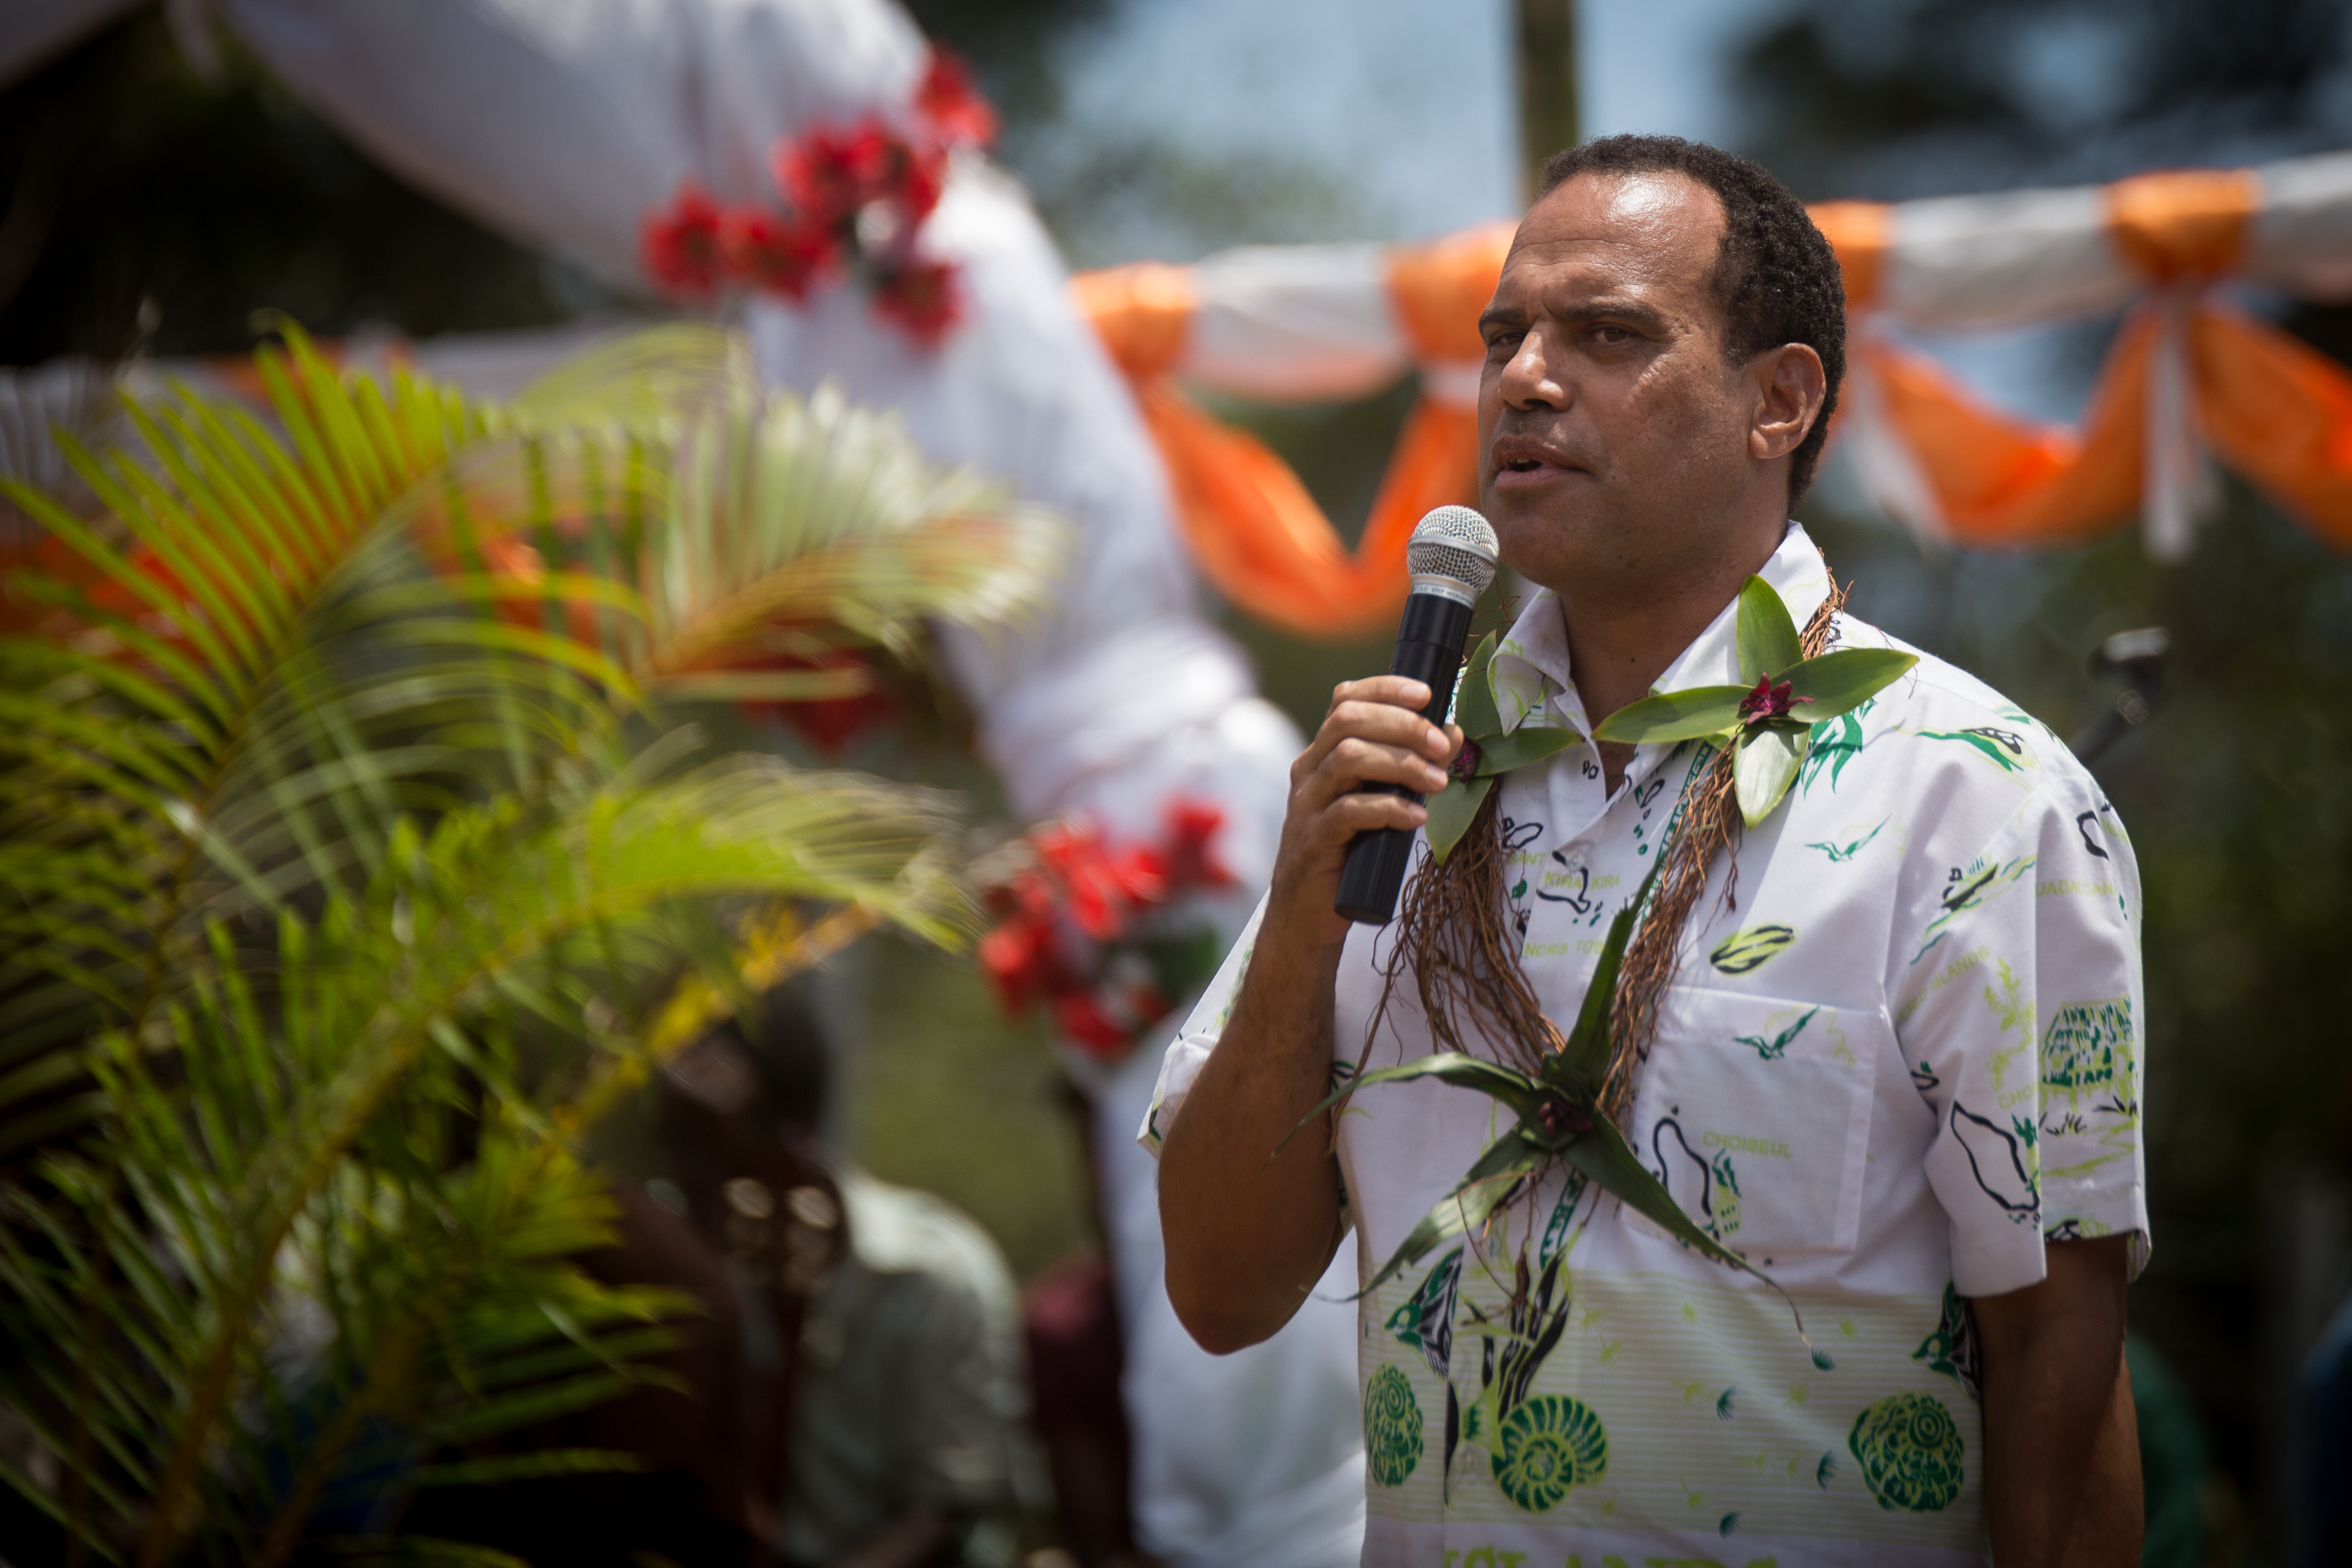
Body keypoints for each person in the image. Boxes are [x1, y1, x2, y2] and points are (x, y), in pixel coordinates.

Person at [1147, 135, 2146, 1566]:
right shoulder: (1398, 790)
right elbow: (1221, 1294)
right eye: (1501, 337)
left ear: (1777, 401)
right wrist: (1306, 919)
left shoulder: (1976, 798)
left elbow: (2058, 1362)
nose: (1523, 378)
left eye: (1606, 334)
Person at [661, 984, 1039, 1568]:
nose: (687, 1178)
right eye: (675, 1144)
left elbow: (945, 1510)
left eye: (714, 1152)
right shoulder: (662, 1271)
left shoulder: (928, 1274)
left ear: (797, 1133)